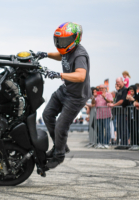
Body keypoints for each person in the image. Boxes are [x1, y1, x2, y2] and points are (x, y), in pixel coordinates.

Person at [38, 22, 91, 169]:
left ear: (76, 39)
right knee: (47, 114)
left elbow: (81, 76)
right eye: (60, 40)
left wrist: (59, 74)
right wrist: (45, 54)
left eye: (65, 41)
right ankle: (60, 146)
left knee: (61, 126)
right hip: (65, 89)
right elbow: (62, 55)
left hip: (76, 96)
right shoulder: (68, 49)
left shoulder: (80, 54)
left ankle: (59, 156)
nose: (62, 43)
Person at [108, 77, 129, 146]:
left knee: (123, 129)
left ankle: (124, 144)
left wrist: (113, 105)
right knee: (119, 129)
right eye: (116, 82)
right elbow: (117, 100)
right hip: (119, 112)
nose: (117, 84)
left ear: (122, 82)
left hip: (124, 112)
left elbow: (122, 101)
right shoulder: (118, 90)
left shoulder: (125, 90)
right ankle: (122, 143)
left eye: (118, 82)